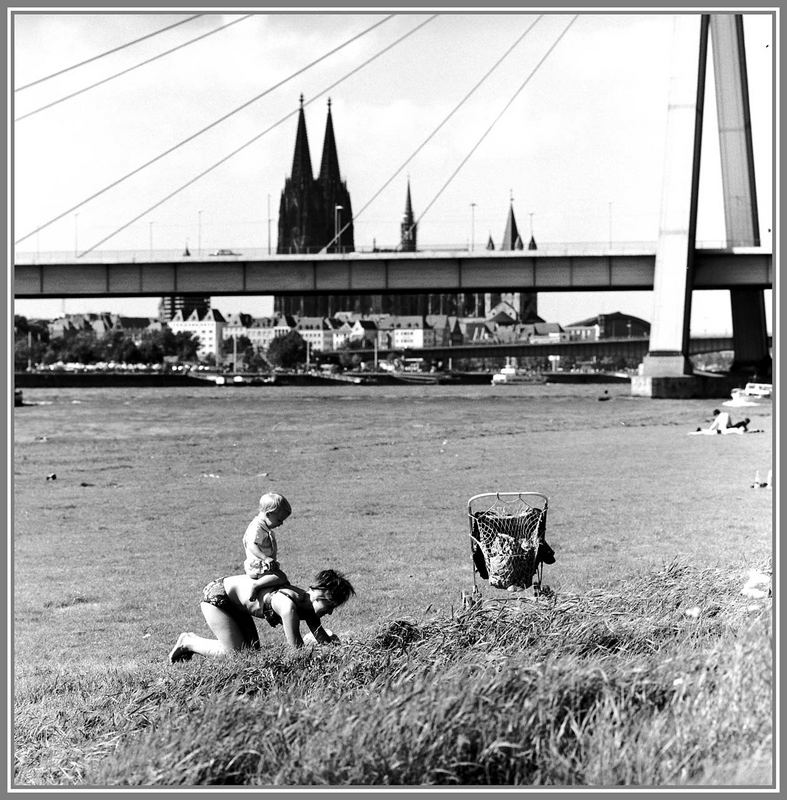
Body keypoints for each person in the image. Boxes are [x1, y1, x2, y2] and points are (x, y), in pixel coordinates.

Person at [168, 569, 356, 662]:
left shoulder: (307, 606)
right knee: (238, 656)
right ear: (319, 594)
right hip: (218, 598)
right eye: (330, 605)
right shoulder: (288, 607)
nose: (330, 612)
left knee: (250, 654)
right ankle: (189, 642)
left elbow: (321, 636)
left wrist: (340, 651)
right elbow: (296, 651)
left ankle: (190, 643)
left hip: (238, 604)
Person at [243, 492, 292, 601]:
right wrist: (265, 558)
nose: (281, 523)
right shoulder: (256, 528)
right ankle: (256, 586)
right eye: (279, 520)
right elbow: (251, 545)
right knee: (281, 577)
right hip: (258, 567)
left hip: (265, 566)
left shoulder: (263, 527)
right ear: (269, 514)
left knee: (282, 580)